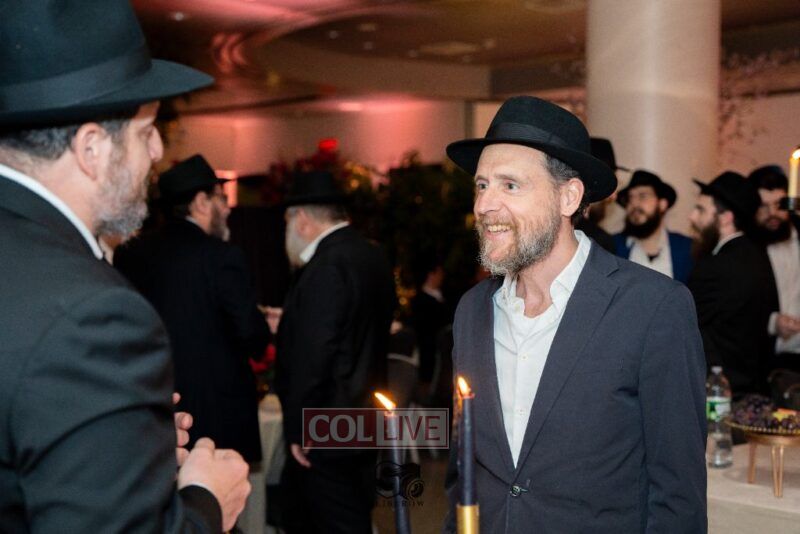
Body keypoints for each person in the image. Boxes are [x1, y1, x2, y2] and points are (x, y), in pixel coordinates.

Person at [0, 1, 250, 531]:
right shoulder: (92, 315)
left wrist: (120, 442)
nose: (157, 151)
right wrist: (205, 501)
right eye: (146, 131)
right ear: (91, 148)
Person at [443, 96, 707, 533]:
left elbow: (678, 496)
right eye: (482, 185)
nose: (485, 204)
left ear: (568, 197)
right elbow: (463, 472)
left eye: (510, 186)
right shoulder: (472, 311)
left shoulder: (653, 308)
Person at [116, 154, 270, 463]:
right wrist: (263, 326)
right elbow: (252, 335)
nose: (227, 208)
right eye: (221, 198)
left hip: (151, 409)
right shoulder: (221, 257)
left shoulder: (130, 254)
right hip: (217, 418)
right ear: (200, 202)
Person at [274, 171, 396, 533]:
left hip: (328, 427)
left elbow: (315, 357)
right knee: (340, 513)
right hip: (364, 419)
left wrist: (300, 429)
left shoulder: (326, 266)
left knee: (338, 522)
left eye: (287, 222)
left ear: (302, 219)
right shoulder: (372, 255)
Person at [687, 171, 779, 397]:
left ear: (726, 217)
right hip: (751, 386)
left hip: (721, 391)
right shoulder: (757, 255)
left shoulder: (715, 267)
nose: (692, 217)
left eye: (701, 210)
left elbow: (686, 325)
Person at [748, 165, 800, 372]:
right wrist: (773, 322)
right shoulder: (746, 250)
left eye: (779, 205)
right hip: (766, 361)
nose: (772, 214)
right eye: (763, 206)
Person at [613, 169, 693, 282]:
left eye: (643, 196)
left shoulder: (687, 248)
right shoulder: (612, 246)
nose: (634, 204)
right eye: (630, 198)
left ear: (662, 204)